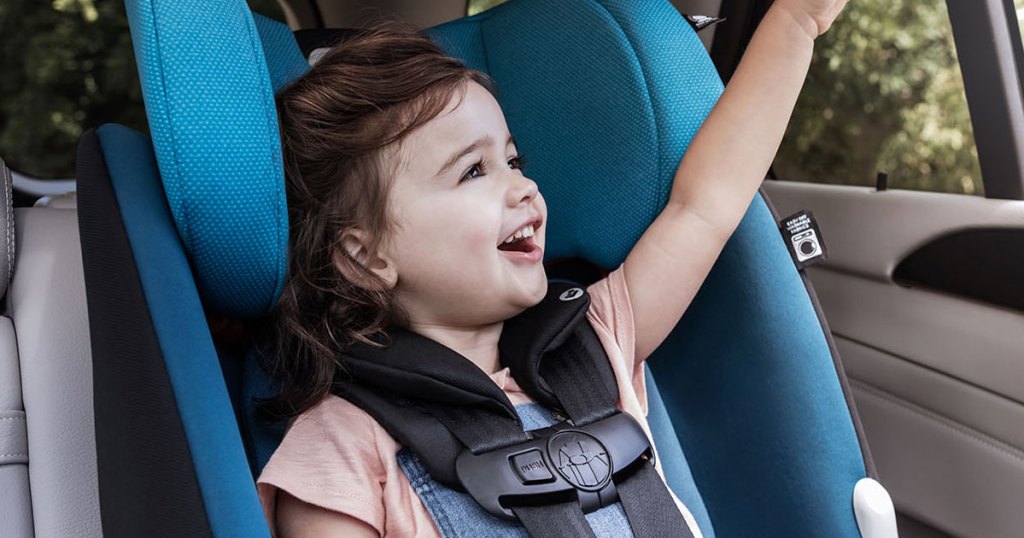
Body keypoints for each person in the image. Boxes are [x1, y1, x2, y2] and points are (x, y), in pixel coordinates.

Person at [256, 0, 848, 536]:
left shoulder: (596, 340)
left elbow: (705, 205)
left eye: (514, 159)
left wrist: (797, 22)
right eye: (473, 172)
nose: (524, 187)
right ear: (367, 257)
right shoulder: (341, 446)